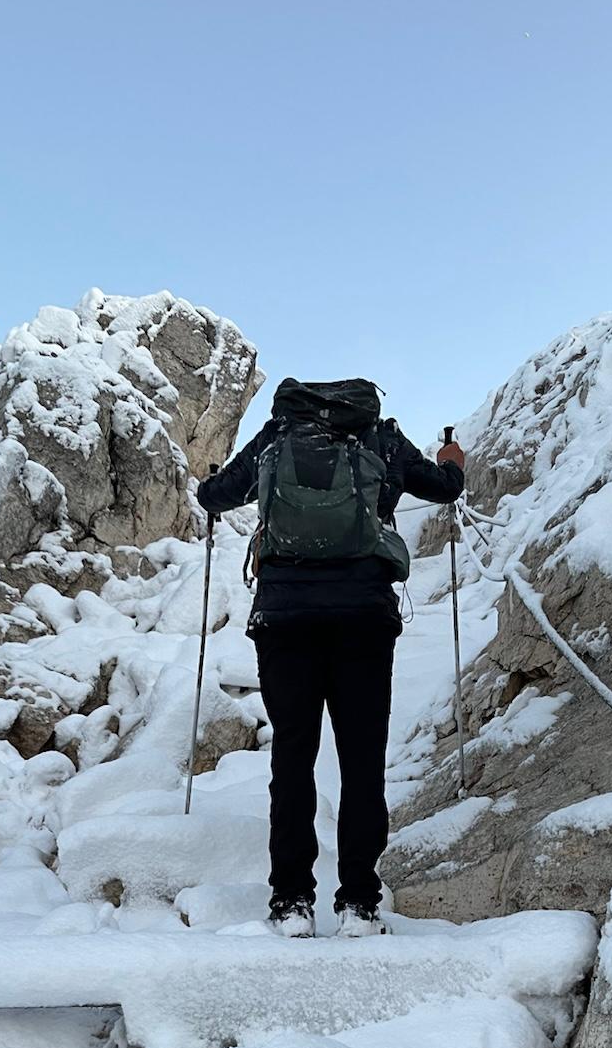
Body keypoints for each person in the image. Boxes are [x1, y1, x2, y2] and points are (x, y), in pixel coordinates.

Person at [197, 377, 465, 938]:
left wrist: (210, 484)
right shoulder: (382, 440)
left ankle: (291, 902)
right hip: (364, 620)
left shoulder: (276, 438)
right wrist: (452, 461)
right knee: (362, 762)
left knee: (292, 759)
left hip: (284, 620)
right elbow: (443, 488)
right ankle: (359, 905)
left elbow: (216, 496)